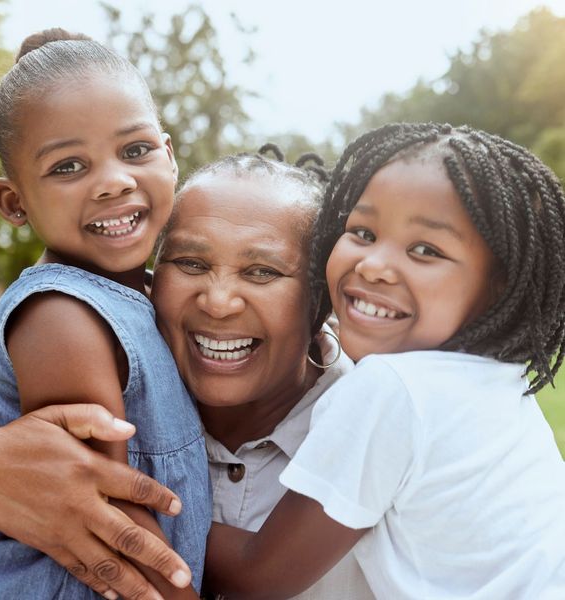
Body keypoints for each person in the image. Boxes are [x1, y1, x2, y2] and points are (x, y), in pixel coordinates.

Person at [0, 147, 375, 599]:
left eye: (262, 271)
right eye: (190, 263)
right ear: (147, 279)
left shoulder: (376, 428)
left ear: (320, 301)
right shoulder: (101, 397)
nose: (218, 303)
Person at [205, 122, 565, 599]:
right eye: (362, 231)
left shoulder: (393, 388)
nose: (372, 264)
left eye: (425, 249)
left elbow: (260, 575)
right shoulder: (494, 385)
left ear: (499, 287)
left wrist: (117, 509)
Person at [0, 29, 210, 599]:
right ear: (14, 202)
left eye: (135, 151)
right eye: (69, 166)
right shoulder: (61, 317)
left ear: (169, 157)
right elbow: (107, 519)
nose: (114, 182)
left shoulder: (150, 299)